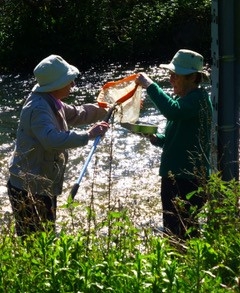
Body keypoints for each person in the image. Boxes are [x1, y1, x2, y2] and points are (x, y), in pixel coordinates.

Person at [7, 54, 109, 237]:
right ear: (55, 85)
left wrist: (106, 109)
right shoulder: (38, 108)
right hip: (28, 187)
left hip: (42, 182)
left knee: (45, 235)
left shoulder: (52, 101)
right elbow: (51, 140)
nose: (73, 84)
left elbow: (79, 114)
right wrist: (88, 135)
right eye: (69, 81)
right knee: (34, 240)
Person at [136, 49, 213, 239]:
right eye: (170, 75)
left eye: (175, 75)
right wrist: (157, 139)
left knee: (180, 231)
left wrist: (150, 85)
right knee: (177, 230)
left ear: (193, 77)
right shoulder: (184, 100)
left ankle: (185, 264)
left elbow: (173, 111)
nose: (170, 79)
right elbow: (177, 136)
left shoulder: (199, 99)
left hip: (187, 178)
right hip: (176, 176)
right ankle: (184, 263)